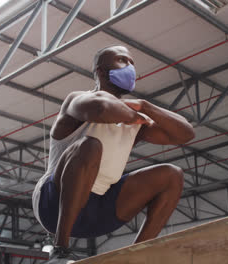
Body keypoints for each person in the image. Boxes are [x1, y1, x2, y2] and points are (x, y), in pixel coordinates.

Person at [32, 45, 195, 263]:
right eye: (122, 60)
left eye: (132, 63)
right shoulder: (77, 100)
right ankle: (60, 251)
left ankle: (136, 256)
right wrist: (133, 114)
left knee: (172, 175)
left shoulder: (138, 116)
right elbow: (100, 109)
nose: (130, 67)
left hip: (99, 211)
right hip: (53, 206)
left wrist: (146, 106)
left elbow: (185, 134)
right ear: (100, 71)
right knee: (90, 146)